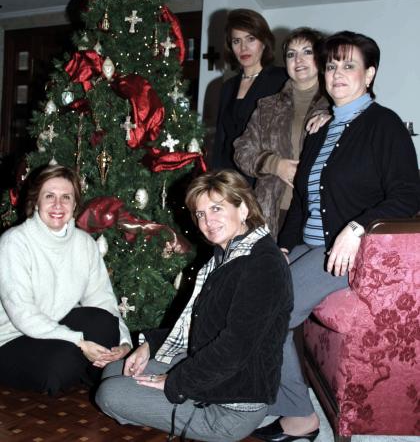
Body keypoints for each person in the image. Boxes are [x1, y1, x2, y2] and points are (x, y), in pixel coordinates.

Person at [253, 31, 420, 442]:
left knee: (269, 306)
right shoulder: (320, 130)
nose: (338, 73)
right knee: (250, 285)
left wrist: (357, 228)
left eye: (349, 65)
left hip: (347, 255)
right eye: (332, 65)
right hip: (310, 245)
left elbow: (409, 193)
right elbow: (305, 202)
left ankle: (300, 418)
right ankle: (258, 384)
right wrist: (283, 247)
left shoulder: (385, 125)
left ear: (370, 74)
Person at [96, 170, 293, 442]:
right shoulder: (227, 255)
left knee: (110, 394)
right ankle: (154, 404)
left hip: (230, 407)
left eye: (216, 208)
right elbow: (199, 325)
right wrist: (148, 346)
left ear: (243, 208)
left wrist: (174, 384)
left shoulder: (263, 265)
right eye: (200, 214)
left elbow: (233, 349)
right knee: (114, 371)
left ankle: (176, 411)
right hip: (216, 375)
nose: (207, 221)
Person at [0, 164, 132, 395]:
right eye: (49, 196)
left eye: (66, 197)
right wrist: (79, 342)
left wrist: (124, 344)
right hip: (11, 337)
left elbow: (103, 301)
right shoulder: (14, 242)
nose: (58, 205)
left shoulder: (85, 244)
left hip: (55, 328)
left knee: (103, 322)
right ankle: (93, 371)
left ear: (74, 204)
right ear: (36, 201)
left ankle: (102, 375)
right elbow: (23, 314)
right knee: (61, 366)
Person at [234, 27, 329, 238]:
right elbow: (242, 150)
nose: (298, 59)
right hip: (272, 212)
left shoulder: (337, 105)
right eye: (291, 54)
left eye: (307, 51)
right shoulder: (267, 107)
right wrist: (275, 165)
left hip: (319, 213)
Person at [211, 9, 288, 184]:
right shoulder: (228, 87)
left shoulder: (282, 79)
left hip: (264, 177)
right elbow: (221, 140)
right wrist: (215, 179)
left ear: (264, 42)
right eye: (236, 41)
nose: (243, 48)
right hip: (229, 179)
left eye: (250, 39)